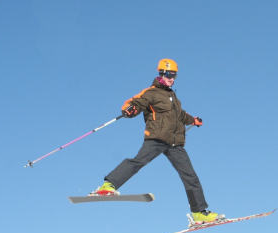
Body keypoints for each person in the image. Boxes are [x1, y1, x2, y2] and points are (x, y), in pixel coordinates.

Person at [91, 58, 223, 223]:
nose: (171, 78)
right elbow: (134, 103)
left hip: (175, 144)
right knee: (137, 162)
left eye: (174, 75)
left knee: (190, 176)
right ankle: (108, 186)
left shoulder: (173, 96)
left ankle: (198, 213)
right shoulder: (151, 92)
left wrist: (193, 120)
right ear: (161, 73)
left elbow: (180, 115)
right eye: (168, 74)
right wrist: (128, 109)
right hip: (157, 139)